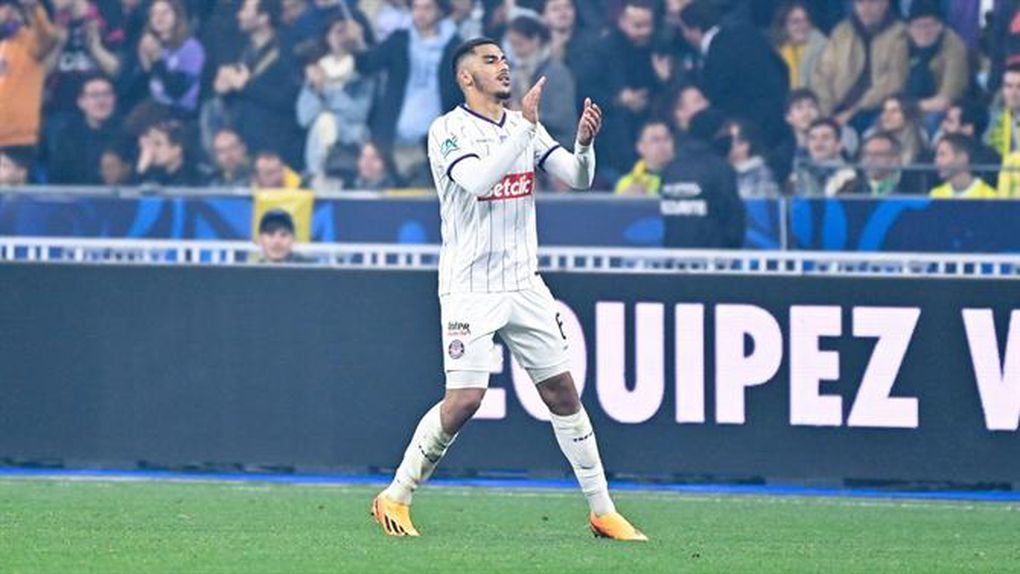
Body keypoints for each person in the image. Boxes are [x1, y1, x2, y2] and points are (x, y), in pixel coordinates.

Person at [370, 37, 646, 542]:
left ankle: (603, 511)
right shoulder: (447, 130)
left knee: (562, 391)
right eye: (490, 60)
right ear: (466, 77)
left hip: (524, 282)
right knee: (465, 400)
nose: (503, 67)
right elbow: (478, 181)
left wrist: (584, 144)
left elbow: (578, 178)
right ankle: (396, 495)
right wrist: (523, 128)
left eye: (504, 59)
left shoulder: (523, 126)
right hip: (470, 286)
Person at [350, 0, 462, 183]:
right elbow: (367, 64)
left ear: (440, 11)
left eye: (427, 8)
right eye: (416, 7)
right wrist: (356, 42)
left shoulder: (455, 46)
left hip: (435, 140)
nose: (420, 13)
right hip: (396, 134)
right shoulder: (399, 40)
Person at [678, 0, 788, 145]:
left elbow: (716, 98)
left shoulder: (715, 56)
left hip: (749, 132)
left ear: (695, 30)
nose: (684, 35)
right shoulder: (747, 33)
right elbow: (782, 68)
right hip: (780, 118)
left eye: (684, 30)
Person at [212, 0, 305, 169]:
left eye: (246, 10)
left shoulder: (287, 48)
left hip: (276, 146)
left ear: (263, 18)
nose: (239, 15)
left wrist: (246, 86)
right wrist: (225, 91)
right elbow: (240, 94)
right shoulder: (242, 49)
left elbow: (289, 99)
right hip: (245, 142)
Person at [296, 15, 377, 182]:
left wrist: (325, 90)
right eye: (338, 32)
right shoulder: (317, 70)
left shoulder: (363, 73)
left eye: (347, 32)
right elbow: (304, 117)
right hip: (317, 154)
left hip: (352, 149)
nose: (343, 37)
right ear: (327, 36)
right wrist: (316, 90)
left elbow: (358, 113)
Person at [811, 0, 907, 133]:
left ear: (885, 3)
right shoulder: (842, 32)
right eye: (860, 2)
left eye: (872, 2)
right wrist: (826, 113)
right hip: (836, 107)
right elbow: (822, 74)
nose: (866, 8)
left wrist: (853, 112)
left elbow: (893, 81)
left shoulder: (900, 34)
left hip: (874, 109)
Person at [658, 108, 746, 248]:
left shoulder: (671, 168)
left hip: (674, 254)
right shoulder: (720, 169)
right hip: (712, 256)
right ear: (714, 133)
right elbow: (733, 218)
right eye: (725, 131)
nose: (728, 137)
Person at [128, 0, 205, 122]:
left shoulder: (191, 47)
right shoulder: (150, 45)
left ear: (177, 16)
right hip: (154, 108)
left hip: (181, 112)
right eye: (154, 13)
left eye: (165, 12)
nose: (159, 17)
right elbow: (141, 87)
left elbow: (177, 89)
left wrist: (157, 60)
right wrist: (143, 58)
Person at [506, 15, 575, 145]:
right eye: (512, 45)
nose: (515, 50)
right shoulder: (516, 71)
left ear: (535, 40)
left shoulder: (556, 72)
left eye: (519, 44)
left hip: (557, 144)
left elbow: (562, 118)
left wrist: (524, 114)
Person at [0, 0, 59, 150]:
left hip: (17, 141)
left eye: (12, 8)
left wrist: (33, 7)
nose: (6, 12)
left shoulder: (30, 42)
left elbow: (48, 37)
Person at [903, 0, 968, 134]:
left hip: (944, 110)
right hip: (907, 106)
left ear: (940, 26)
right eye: (918, 26)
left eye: (928, 25)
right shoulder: (901, 44)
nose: (923, 31)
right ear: (909, 29)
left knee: (929, 123)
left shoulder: (953, 46)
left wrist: (912, 107)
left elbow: (947, 98)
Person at [50, 73, 124, 183]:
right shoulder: (68, 136)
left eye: (107, 94)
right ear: (81, 102)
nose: (101, 101)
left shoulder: (127, 133)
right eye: (94, 95)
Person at [772, 0, 826, 89]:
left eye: (806, 20)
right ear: (784, 25)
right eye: (795, 21)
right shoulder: (775, 52)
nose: (803, 25)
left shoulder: (823, 50)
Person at [797, 117, 857, 196]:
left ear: (839, 145)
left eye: (825, 138)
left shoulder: (850, 177)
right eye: (813, 138)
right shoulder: (799, 173)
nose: (818, 143)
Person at [929, 134, 1000, 199]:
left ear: (963, 158)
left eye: (943, 154)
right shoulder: (936, 195)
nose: (937, 161)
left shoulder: (988, 196)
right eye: (937, 155)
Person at [614, 120, 674, 196]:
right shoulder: (627, 183)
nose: (662, 145)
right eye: (655, 140)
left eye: (666, 138)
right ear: (640, 147)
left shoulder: (685, 175)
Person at [133, 119, 199, 185]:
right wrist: (141, 169)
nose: (152, 150)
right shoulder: (152, 175)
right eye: (151, 144)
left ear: (177, 149)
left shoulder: (195, 180)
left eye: (158, 144)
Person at [727, 119, 780, 198]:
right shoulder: (721, 172)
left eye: (730, 139)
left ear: (744, 145)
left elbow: (765, 203)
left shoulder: (762, 174)